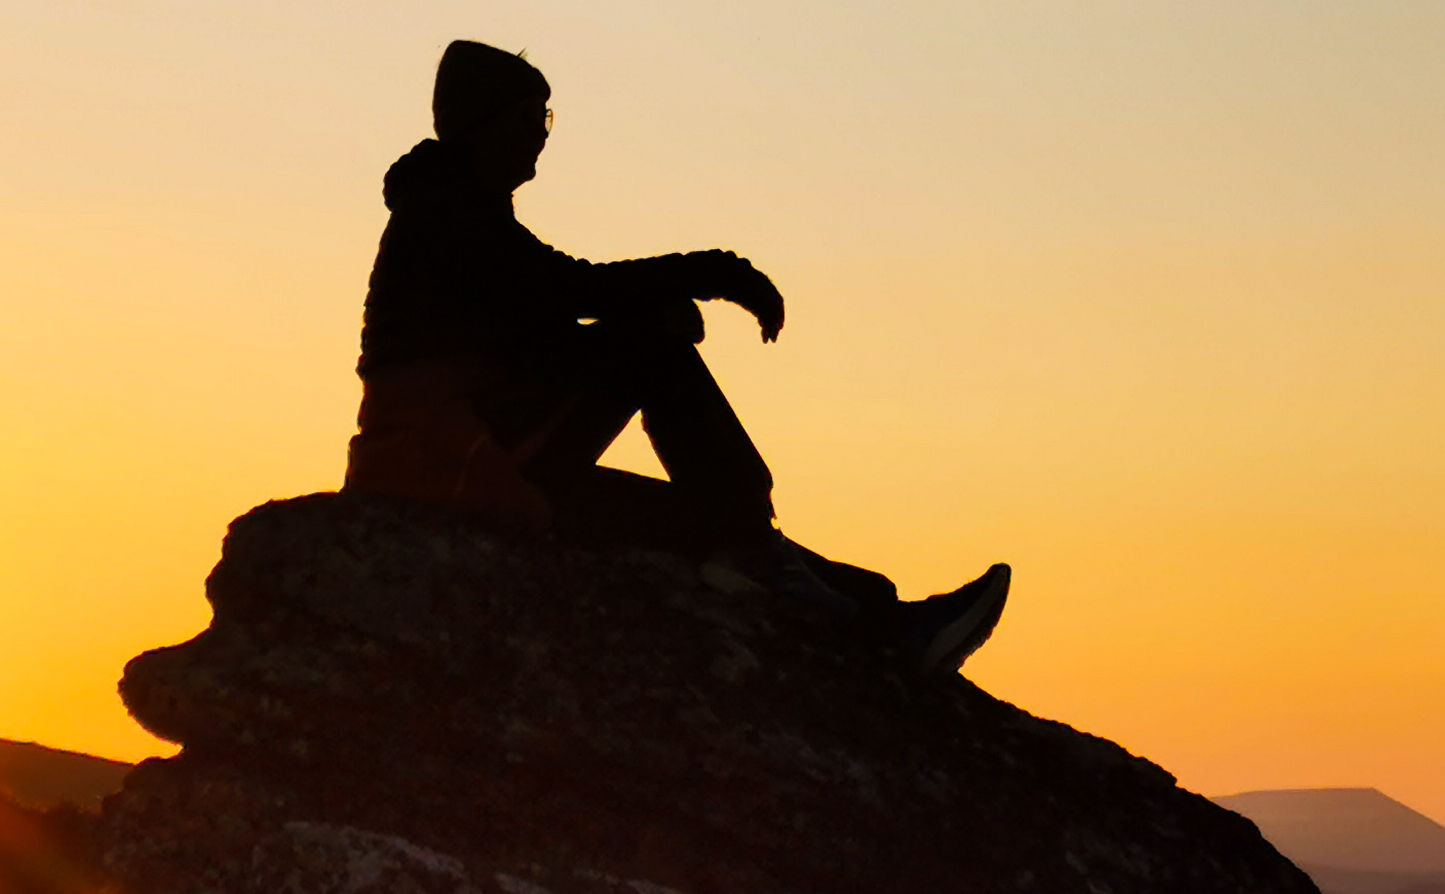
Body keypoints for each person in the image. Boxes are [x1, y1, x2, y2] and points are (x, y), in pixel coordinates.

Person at [348, 42, 1011, 674]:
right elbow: (569, 292)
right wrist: (706, 274)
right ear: (477, 126)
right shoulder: (444, 216)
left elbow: (545, 320)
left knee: (707, 525)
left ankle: (891, 623)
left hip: (490, 460)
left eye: (543, 117)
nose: (539, 134)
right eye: (523, 119)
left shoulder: (464, 212)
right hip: (450, 460)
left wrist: (657, 304)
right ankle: (767, 551)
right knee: (654, 357)